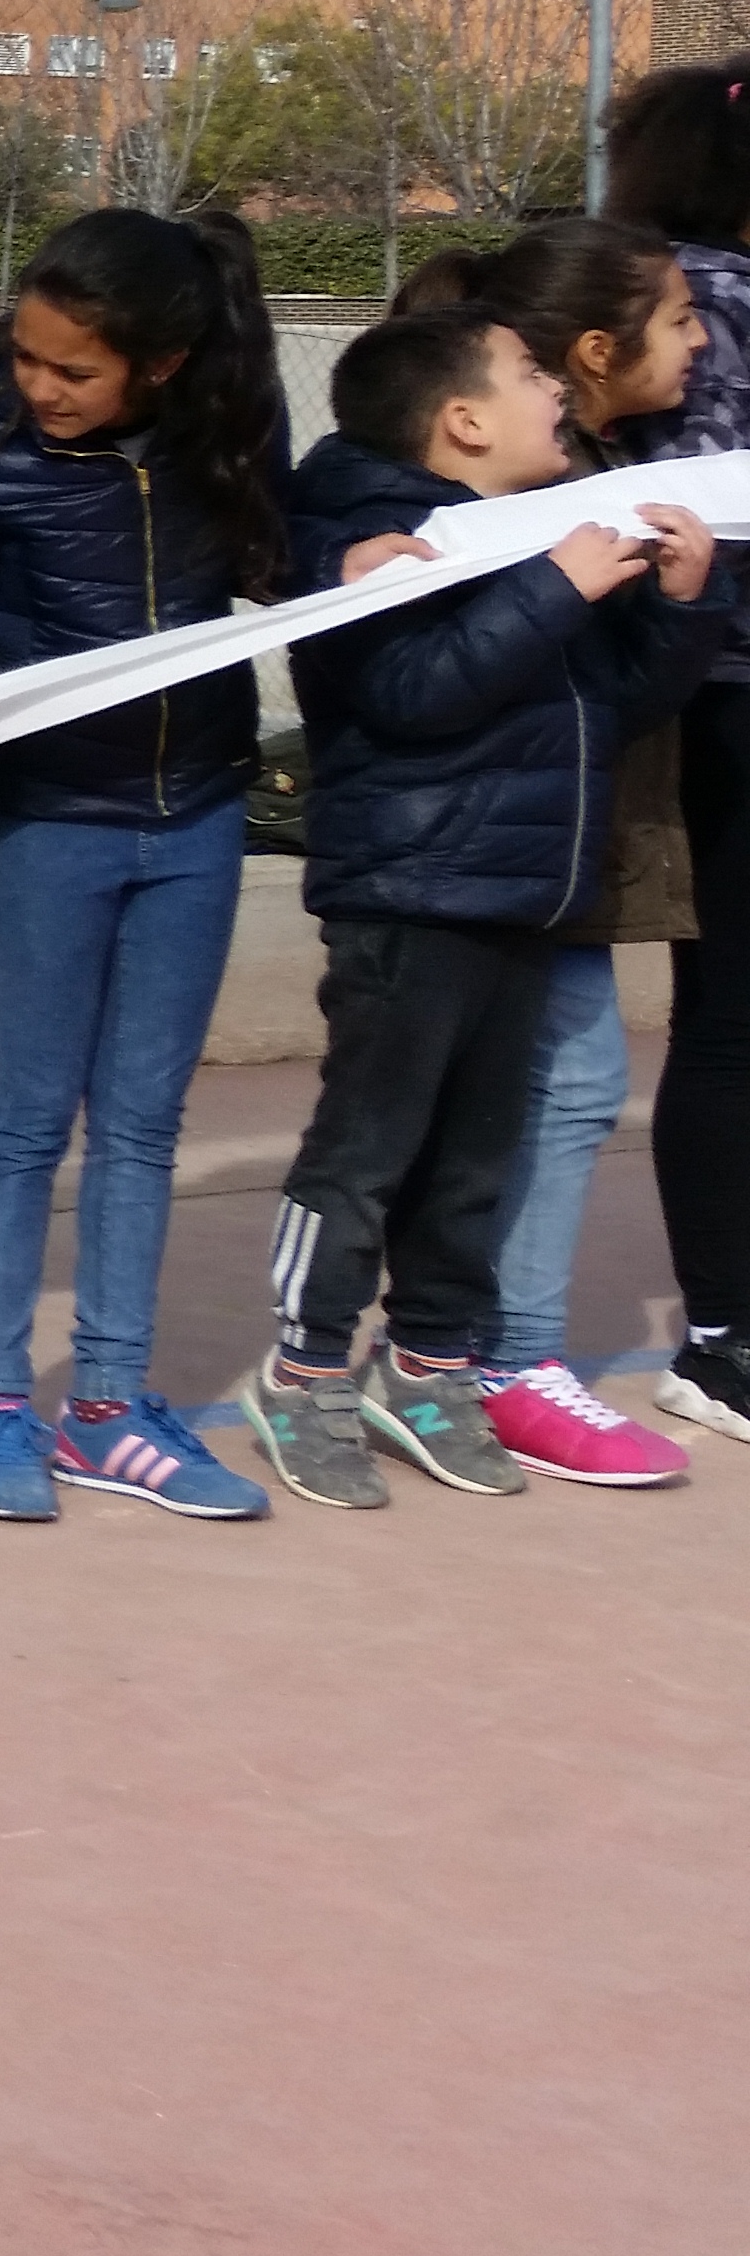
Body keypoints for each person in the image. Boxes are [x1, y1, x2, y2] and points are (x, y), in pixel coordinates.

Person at [250, 303, 733, 1509]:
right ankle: (300, 1371)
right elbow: (411, 691)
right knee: (365, 1152)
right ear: (461, 420)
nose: (555, 389)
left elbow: (604, 708)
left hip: (519, 896)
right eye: (528, 373)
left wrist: (682, 606)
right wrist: (555, 589)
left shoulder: (532, 535)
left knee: (472, 1162)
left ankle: (426, 1369)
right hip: (407, 897)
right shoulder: (375, 538)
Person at [0, 208, 294, 1524]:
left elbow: (280, 564)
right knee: (27, 1114)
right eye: (26, 356)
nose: (41, 387)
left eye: (74, 370)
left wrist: (376, 554)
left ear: (160, 364)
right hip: (47, 817)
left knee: (142, 1123)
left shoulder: (223, 436)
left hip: (199, 816)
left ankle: (110, 1408)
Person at [399, 225, 705, 1486]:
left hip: (562, 840)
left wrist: (681, 602)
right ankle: (472, 1359)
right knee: (501, 1094)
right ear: (587, 352)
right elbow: (453, 674)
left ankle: (478, 1354)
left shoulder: (611, 474)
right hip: (489, 848)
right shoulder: (499, 492)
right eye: (676, 317)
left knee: (556, 1087)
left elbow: (618, 693)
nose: (699, 340)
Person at [601, 61, 750, 1442]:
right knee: (727, 1017)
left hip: (707, 683)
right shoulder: (697, 297)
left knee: (724, 1014)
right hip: (721, 687)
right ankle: (719, 1335)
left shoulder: (670, 288)